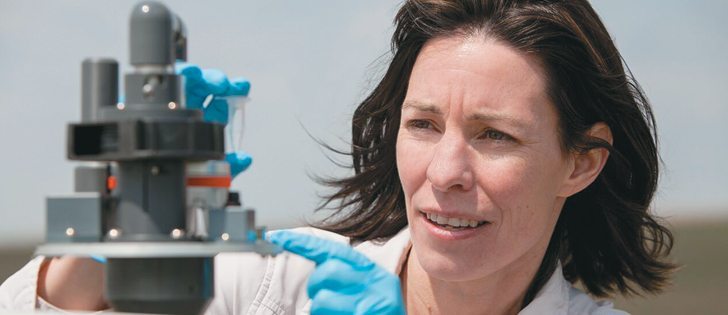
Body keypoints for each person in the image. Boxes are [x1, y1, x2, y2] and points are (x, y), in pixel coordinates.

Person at [1, 0, 676, 314]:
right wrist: (115, 234)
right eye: (423, 123)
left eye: (494, 135)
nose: (445, 172)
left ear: (581, 161)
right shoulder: (275, 281)